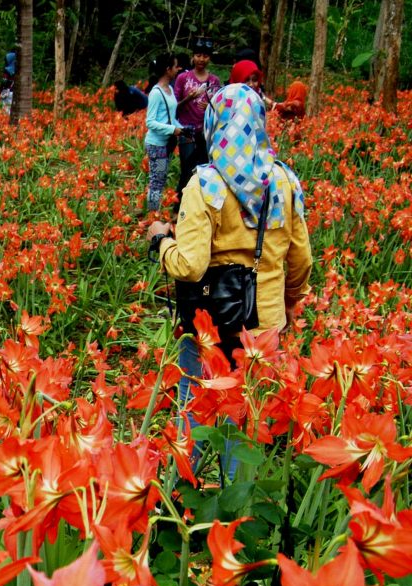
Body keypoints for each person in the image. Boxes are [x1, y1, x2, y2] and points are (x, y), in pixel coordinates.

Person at [147, 84, 312, 478]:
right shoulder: (284, 183)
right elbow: (301, 260)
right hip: (264, 326)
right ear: (259, 123)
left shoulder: (205, 184)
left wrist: (161, 239)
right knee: (244, 416)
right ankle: (235, 508)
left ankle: (183, 494)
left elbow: (189, 266)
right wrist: (288, 304)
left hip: (210, 322)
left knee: (195, 407)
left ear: (213, 124)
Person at [174, 37, 222, 205]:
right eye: (198, 55)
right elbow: (174, 107)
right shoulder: (182, 78)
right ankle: (180, 206)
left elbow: (219, 109)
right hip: (186, 131)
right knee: (187, 170)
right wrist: (189, 98)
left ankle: (199, 205)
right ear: (193, 56)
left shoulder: (214, 81)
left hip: (207, 133)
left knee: (204, 172)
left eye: (205, 56)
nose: (202, 59)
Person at [144, 54, 182, 212]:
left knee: (160, 177)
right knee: (157, 179)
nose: (177, 69)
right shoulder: (156, 93)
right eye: (175, 66)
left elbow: (170, 117)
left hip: (166, 143)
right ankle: (153, 213)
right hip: (156, 144)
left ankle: (153, 211)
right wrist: (173, 129)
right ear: (168, 70)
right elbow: (150, 122)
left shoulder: (170, 89)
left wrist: (183, 129)